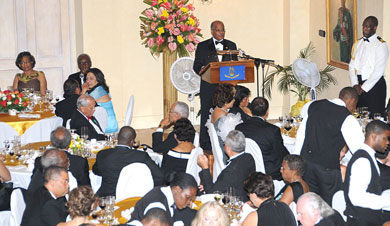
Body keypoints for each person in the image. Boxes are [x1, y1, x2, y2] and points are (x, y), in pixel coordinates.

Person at [295, 87, 364, 205]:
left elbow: (301, 134)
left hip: (307, 165)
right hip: (328, 170)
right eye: (354, 106)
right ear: (352, 101)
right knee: (329, 207)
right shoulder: (346, 117)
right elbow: (359, 149)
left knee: (311, 204)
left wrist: (298, 160)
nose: (353, 109)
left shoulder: (313, 105)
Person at [193, 20, 238, 152]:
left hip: (226, 87)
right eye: (218, 30)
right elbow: (196, 66)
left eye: (223, 30)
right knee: (206, 112)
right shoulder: (202, 46)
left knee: (227, 112)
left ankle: (227, 141)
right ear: (212, 31)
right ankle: (206, 143)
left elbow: (234, 65)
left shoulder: (231, 45)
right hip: (208, 86)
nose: (221, 33)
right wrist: (202, 69)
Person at [93, 126, 165, 197]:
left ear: (118, 137)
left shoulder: (102, 154)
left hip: (105, 197)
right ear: (132, 141)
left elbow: (96, 171)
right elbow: (159, 177)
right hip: (131, 198)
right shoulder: (141, 156)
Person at [344, 120, 390, 225]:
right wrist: (386, 201)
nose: (388, 142)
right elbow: (357, 197)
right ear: (374, 136)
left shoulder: (368, 157)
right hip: (361, 221)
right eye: (386, 138)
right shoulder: (362, 161)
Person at [236, 97, 288, 180]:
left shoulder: (239, 127)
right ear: (267, 111)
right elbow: (281, 154)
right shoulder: (273, 130)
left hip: (246, 169)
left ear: (251, 110)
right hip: (268, 172)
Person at [197, 130, 255, 202]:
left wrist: (205, 167)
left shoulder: (230, 172)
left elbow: (211, 193)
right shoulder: (249, 157)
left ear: (227, 148)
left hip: (233, 202)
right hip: (242, 195)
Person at [30, 127, 91, 193]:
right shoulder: (79, 162)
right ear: (69, 142)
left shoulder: (39, 161)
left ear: (52, 142)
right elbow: (86, 190)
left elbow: (34, 186)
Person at [349, 16, 389, 115]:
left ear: (375, 28)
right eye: (364, 26)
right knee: (359, 115)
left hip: (374, 86)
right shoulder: (358, 43)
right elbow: (351, 66)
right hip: (358, 85)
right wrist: (355, 84)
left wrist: (363, 88)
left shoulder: (381, 45)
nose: (365, 29)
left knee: (374, 117)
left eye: (368, 26)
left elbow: (378, 71)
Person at [130, 172, 197, 226]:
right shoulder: (157, 207)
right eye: (188, 198)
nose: (189, 202)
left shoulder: (165, 191)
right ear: (177, 189)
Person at [81, 68, 118, 133]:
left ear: (98, 80)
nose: (88, 81)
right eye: (87, 79)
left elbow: (80, 104)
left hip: (107, 126)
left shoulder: (99, 91)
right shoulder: (97, 89)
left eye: (91, 78)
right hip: (104, 123)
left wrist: (83, 90)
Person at [211, 83, 241, 163]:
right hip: (226, 155)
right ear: (226, 99)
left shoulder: (216, 110)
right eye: (233, 97)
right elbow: (232, 141)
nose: (234, 100)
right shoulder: (224, 118)